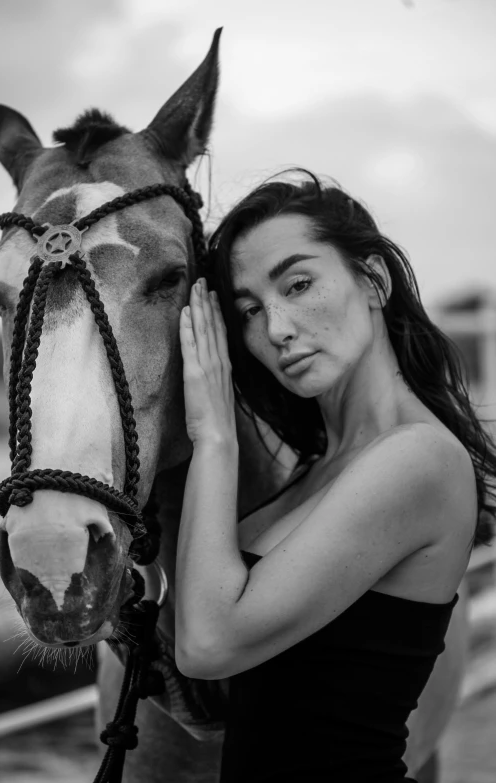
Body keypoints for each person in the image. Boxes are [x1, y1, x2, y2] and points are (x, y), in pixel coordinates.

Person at [175, 170, 495, 782]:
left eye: (298, 284)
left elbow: (208, 645)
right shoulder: (322, 466)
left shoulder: (419, 458)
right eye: (248, 310)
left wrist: (212, 435)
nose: (276, 329)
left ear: (372, 280)